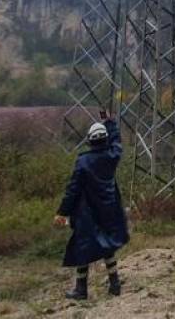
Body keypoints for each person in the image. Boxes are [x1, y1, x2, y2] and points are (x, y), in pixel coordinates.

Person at [54, 110, 128, 300]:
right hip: (109, 209)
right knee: (108, 246)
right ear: (104, 140)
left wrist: (62, 212)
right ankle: (114, 283)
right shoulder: (112, 156)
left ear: (89, 140)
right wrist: (110, 122)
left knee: (83, 247)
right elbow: (117, 142)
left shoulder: (83, 162)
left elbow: (73, 190)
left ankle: (81, 289)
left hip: (87, 212)